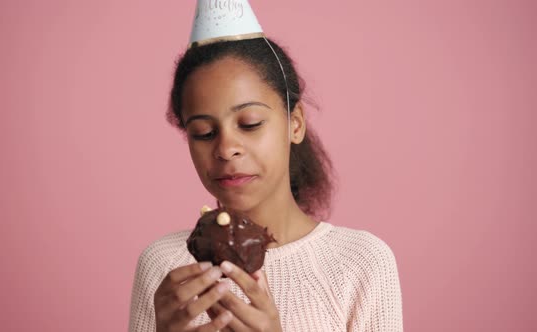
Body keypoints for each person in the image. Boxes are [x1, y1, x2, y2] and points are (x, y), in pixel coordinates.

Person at [129, 1, 402, 331]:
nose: (227, 149)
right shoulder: (164, 265)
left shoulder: (361, 263)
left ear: (295, 124)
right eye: (204, 133)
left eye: (251, 123)